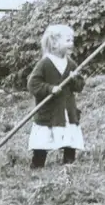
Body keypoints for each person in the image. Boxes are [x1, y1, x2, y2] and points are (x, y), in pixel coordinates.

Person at [26, 24, 86, 168]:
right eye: (67, 40)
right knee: (43, 138)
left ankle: (69, 162)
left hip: (67, 109)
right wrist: (49, 88)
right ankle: (38, 164)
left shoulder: (71, 64)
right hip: (49, 110)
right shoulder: (45, 63)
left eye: (72, 40)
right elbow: (32, 84)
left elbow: (79, 87)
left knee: (70, 134)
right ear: (53, 43)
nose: (71, 43)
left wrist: (75, 79)